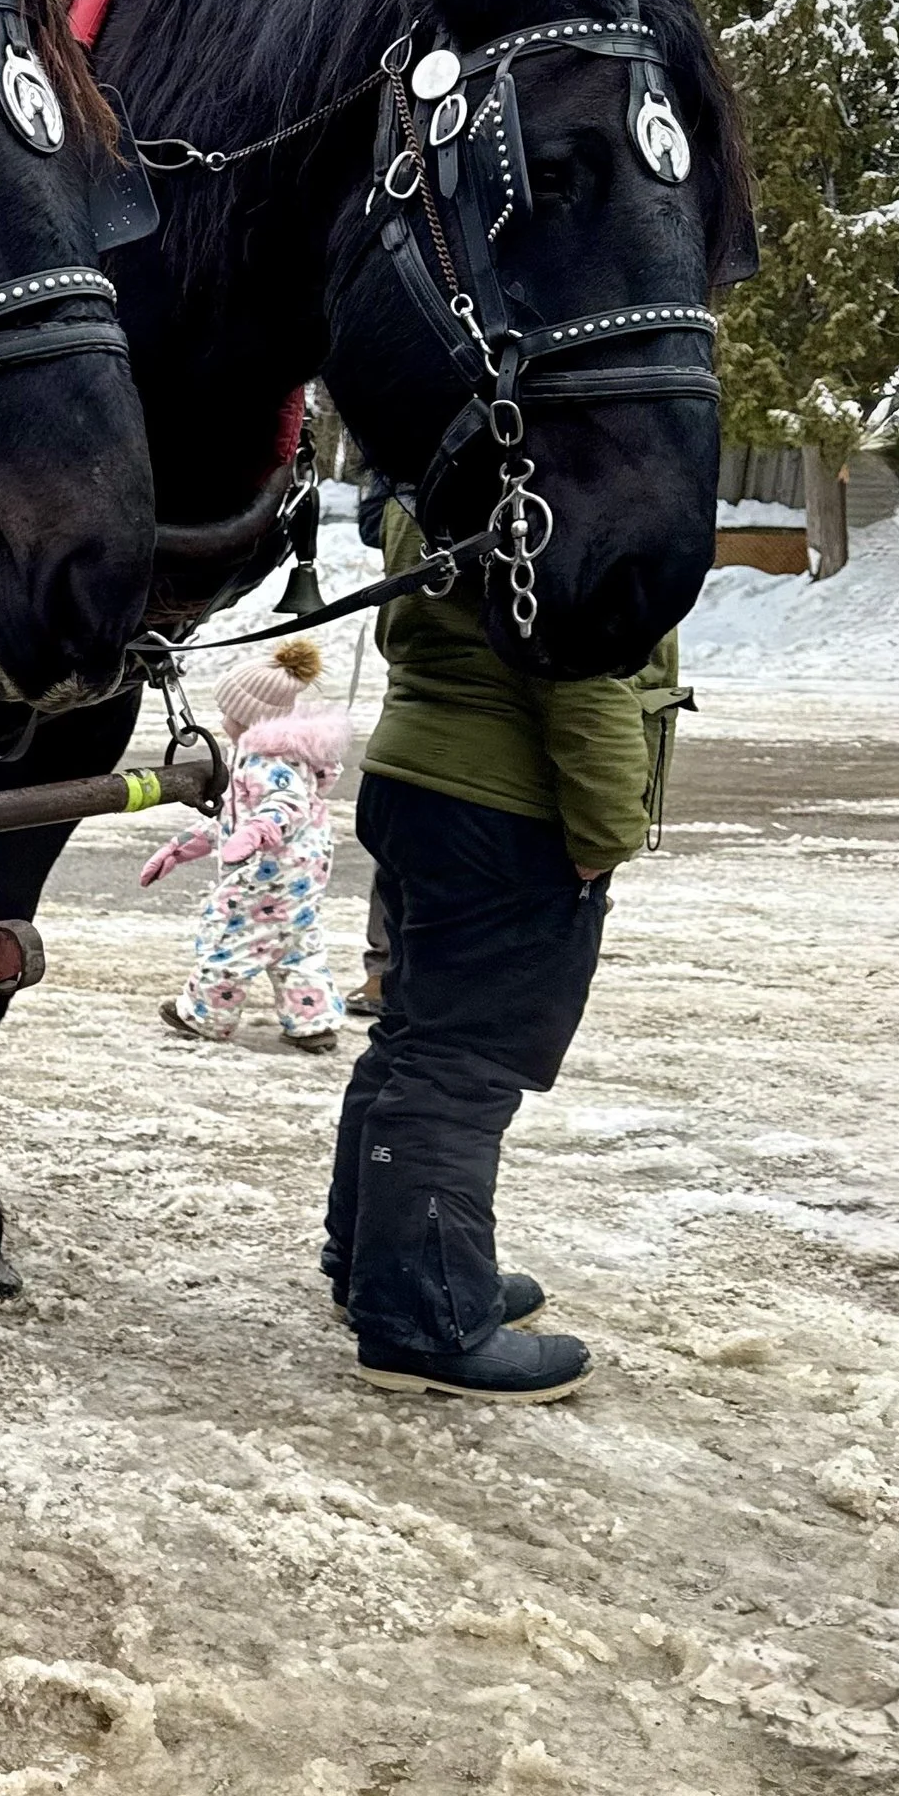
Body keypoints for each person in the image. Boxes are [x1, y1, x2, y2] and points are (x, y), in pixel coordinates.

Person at [322, 498, 687, 1403]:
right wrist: (607, 826)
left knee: (414, 1036)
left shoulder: (451, 443)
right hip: (506, 800)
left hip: (422, 777)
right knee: (462, 1062)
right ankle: (424, 1320)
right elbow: (580, 655)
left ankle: (377, 1261)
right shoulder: (564, 457)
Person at [145, 639, 348, 1050]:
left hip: (267, 876)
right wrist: (181, 847)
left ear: (253, 718)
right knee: (295, 944)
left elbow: (283, 808)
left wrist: (255, 835)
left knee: (229, 939)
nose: (222, 721)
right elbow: (231, 824)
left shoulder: (265, 760)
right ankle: (313, 1021)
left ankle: (204, 1015)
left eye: (229, 713)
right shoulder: (288, 757)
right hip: (301, 875)